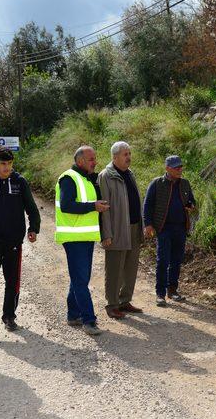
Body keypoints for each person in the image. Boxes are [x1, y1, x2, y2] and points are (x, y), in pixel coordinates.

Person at [0, 146, 41, 342]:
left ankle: (9, 317)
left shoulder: (20, 182)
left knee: (13, 282)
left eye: (10, 164)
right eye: (3, 164)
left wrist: (33, 229)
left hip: (14, 242)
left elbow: (31, 208)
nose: (7, 168)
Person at [55, 145, 109, 336]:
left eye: (95, 158)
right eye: (91, 159)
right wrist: (93, 206)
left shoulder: (86, 178)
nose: (95, 162)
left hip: (84, 237)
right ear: (80, 161)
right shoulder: (69, 178)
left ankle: (73, 315)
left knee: (80, 279)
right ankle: (89, 320)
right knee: (81, 280)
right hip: (73, 237)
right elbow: (67, 205)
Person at [98, 141, 144, 319]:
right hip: (117, 229)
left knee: (130, 267)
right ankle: (112, 304)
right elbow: (104, 209)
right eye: (125, 154)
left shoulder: (130, 174)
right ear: (114, 157)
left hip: (133, 227)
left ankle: (125, 301)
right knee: (114, 268)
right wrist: (106, 233)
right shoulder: (106, 176)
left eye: (129, 153)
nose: (129, 157)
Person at [143, 155, 196, 306]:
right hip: (163, 228)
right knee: (163, 260)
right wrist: (148, 225)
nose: (180, 170)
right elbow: (147, 205)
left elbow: (192, 200)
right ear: (167, 169)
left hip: (180, 227)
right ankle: (160, 294)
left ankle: (172, 291)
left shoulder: (185, 183)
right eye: (176, 167)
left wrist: (191, 205)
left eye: (181, 167)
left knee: (176, 260)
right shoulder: (157, 183)